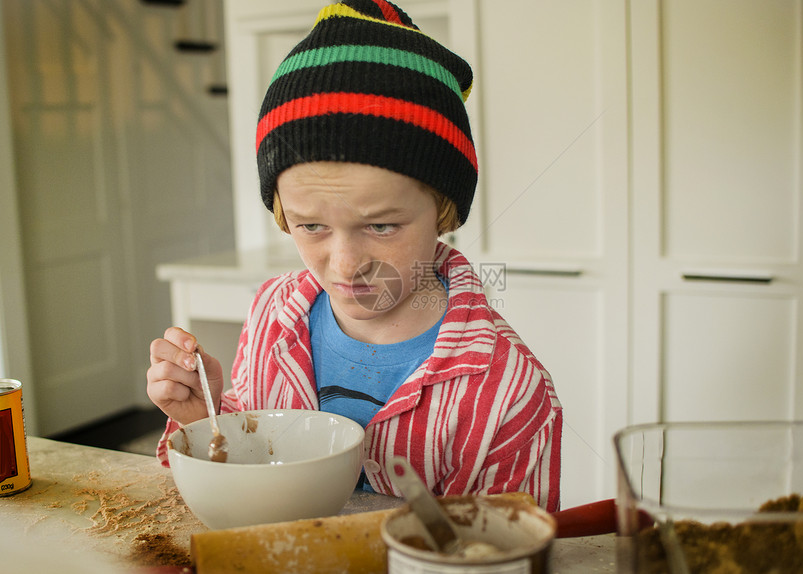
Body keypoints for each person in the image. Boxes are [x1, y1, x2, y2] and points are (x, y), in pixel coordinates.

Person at [147, 0, 563, 511]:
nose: (345, 265)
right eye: (311, 226)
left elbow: (510, 552)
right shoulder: (273, 313)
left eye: (381, 225)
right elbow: (257, 462)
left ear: (444, 211)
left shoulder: (509, 394)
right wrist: (207, 421)